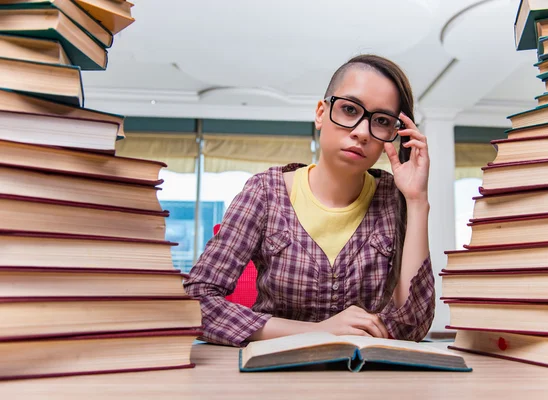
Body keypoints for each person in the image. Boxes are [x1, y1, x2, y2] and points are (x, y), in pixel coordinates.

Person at [184, 54, 435, 347]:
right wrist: (320, 331)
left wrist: (417, 200)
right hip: (274, 374)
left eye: (381, 121)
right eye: (349, 109)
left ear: (393, 134)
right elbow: (196, 303)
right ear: (320, 113)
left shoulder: (395, 198)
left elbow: (414, 325)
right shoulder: (265, 193)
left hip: (366, 380)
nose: (361, 132)